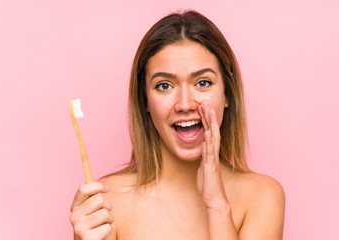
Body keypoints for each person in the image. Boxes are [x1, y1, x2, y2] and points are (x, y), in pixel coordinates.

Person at [70, 10, 285, 240]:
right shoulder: (106, 204)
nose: (185, 104)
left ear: (227, 94)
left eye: (203, 82)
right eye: (164, 85)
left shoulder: (262, 197)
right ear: (145, 100)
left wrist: (218, 206)